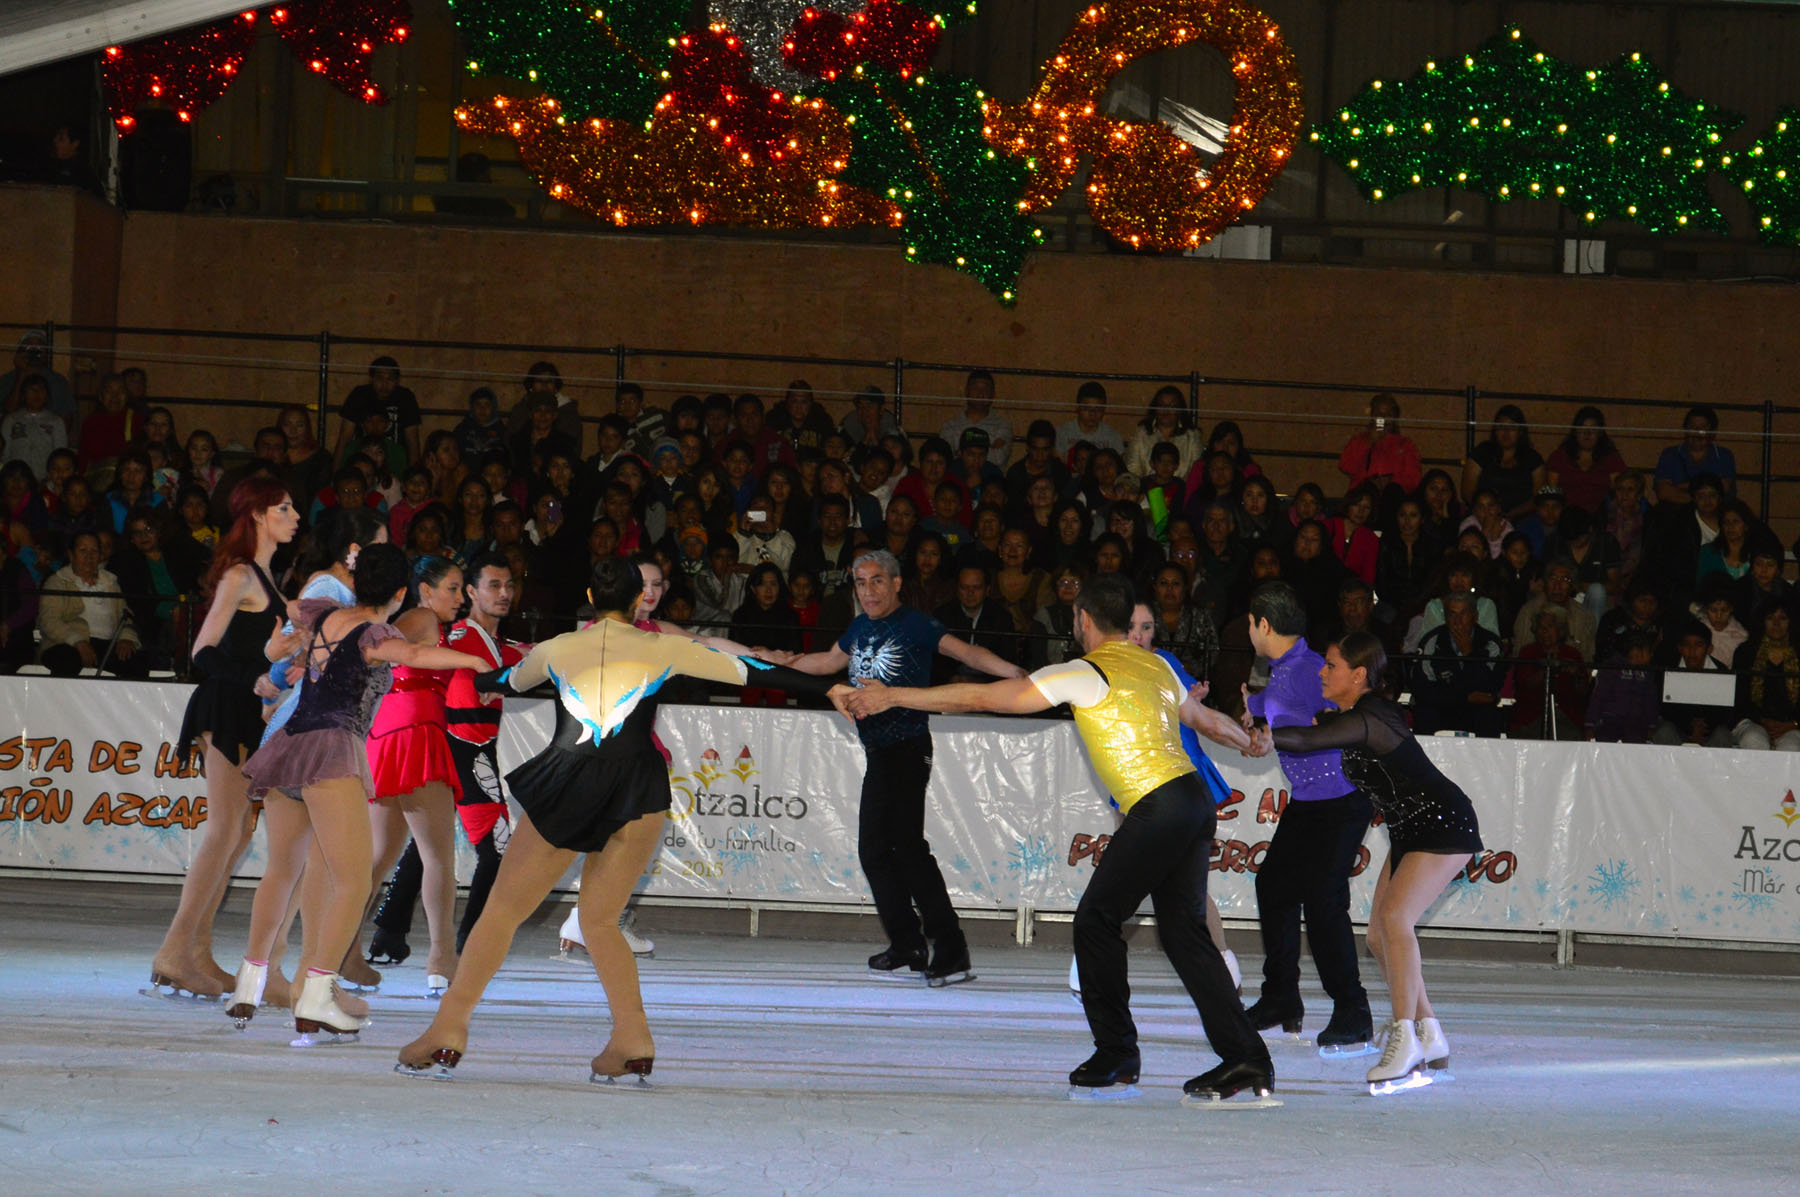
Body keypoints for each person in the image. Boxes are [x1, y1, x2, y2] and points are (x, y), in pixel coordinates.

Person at [395, 557, 850, 1080]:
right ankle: (632, 1037)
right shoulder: (665, 648)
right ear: (639, 600)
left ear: (590, 596)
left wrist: (468, 667)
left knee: (501, 912)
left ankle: (448, 1029)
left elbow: (506, 680)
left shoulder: (558, 648)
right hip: (639, 787)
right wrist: (829, 689)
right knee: (601, 921)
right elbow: (757, 671)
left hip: (570, 783)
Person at [845, 573, 1273, 1104]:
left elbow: (985, 698)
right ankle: (1246, 1057)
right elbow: (1206, 720)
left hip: (1160, 805)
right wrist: (1250, 741)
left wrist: (894, 697)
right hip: (1191, 800)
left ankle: (1116, 1053)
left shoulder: (1085, 671)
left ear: (1084, 620)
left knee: (1096, 920)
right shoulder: (1156, 664)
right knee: (1184, 933)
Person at [232, 545, 488, 1041]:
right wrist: (473, 660)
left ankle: (249, 982)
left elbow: (285, 621)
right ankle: (316, 995)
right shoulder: (375, 633)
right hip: (330, 754)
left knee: (282, 870)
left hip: (288, 746)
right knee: (350, 883)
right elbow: (414, 654)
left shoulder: (324, 615)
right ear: (400, 592)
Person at [778, 551, 1026, 985]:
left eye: (877, 581)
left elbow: (967, 652)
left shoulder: (915, 623)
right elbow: (824, 663)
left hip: (908, 747)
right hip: (879, 753)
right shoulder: (858, 628)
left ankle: (951, 947)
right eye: (860, 582)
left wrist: (1018, 675)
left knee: (907, 849)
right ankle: (907, 942)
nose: (868, 590)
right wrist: (773, 661)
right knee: (875, 851)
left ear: (896, 584)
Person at [1252, 630, 1482, 1095]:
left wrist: (1260, 735)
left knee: (1396, 920)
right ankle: (1429, 1031)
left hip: (1443, 824)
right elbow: (1307, 727)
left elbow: (1309, 739)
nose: (1322, 671)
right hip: (1410, 831)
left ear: (1359, 675)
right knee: (1379, 935)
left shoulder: (1372, 715)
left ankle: (1403, 1037)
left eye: (1331, 665)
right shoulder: (1353, 714)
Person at [146, 479, 299, 999]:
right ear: (257, 514)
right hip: (226, 706)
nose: (294, 514)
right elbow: (202, 650)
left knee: (234, 834)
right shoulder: (241, 575)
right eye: (284, 507)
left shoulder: (271, 581)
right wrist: (256, 676)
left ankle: (195, 950)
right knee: (224, 831)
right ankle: (173, 950)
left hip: (248, 712)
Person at [370, 553, 530, 965]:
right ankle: (464, 949)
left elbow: (527, 660)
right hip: (447, 745)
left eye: (509, 585)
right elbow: (406, 655)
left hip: (439, 744)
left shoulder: (483, 641)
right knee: (481, 849)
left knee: (412, 849)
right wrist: (478, 670)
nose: (505, 593)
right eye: (492, 585)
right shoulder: (447, 632)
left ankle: (386, 935)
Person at [1239, 582, 1375, 1053]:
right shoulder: (1285, 668)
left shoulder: (1309, 668)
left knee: (1323, 901)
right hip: (1311, 800)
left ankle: (1353, 1011)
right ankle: (1280, 997)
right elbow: (1274, 705)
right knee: (1273, 885)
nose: (1248, 629)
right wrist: (1252, 714)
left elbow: (1348, 711)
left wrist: (1283, 726)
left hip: (1341, 799)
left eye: (1250, 622)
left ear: (1263, 625)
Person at [350, 556, 470, 998]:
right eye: (453, 589)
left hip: (389, 734)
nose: (460, 598)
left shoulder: (421, 620)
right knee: (438, 856)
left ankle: (342, 950)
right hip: (414, 731)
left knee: (381, 857)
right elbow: (389, 653)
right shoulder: (420, 617)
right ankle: (441, 958)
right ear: (425, 590)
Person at [36, 530, 150, 679]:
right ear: (71, 555)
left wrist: (126, 638)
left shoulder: (110, 582)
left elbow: (126, 616)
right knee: (66, 660)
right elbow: (49, 621)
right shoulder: (57, 582)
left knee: (137, 664)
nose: (89, 556)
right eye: (83, 550)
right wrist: (78, 641)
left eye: (94, 551)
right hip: (67, 643)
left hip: (106, 645)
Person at [1337, 393, 1421, 526]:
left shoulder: (1405, 444)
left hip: (1393, 501)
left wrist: (1391, 482)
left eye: (1388, 414)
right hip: (1363, 501)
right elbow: (1346, 465)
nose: (1384, 418)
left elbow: (1413, 478)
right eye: (1379, 414)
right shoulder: (1360, 440)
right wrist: (1368, 442)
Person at [1730, 605, 1800, 751]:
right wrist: (1761, 720)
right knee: (1754, 741)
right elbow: (1739, 697)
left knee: (1791, 747)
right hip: (1751, 721)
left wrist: (1792, 724)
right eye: (1770, 618)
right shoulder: (1745, 652)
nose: (1776, 624)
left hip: (1793, 724)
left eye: (1782, 618)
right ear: (1762, 622)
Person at [335, 356, 422, 467]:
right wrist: (335, 475)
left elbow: (413, 443)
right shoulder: (359, 395)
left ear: (397, 381)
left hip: (394, 461)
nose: (384, 384)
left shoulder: (405, 397)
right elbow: (344, 438)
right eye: (380, 378)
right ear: (371, 379)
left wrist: (413, 476)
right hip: (361, 460)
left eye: (390, 379)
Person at [1655, 405, 1736, 506]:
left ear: (1713, 432)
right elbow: (1664, 493)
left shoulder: (1724, 456)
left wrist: (1679, 487)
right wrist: (1703, 498)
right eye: (1693, 427)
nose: (1697, 432)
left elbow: (1724, 489)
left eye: (1703, 428)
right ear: (1685, 429)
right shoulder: (1670, 455)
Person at [939, 370, 1014, 467]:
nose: (980, 394)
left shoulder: (1004, 426)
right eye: (975, 389)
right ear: (966, 391)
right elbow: (947, 460)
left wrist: (960, 451)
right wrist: (989, 448)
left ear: (992, 394)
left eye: (985, 390)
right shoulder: (950, 426)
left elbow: (998, 459)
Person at [1056, 381, 1125, 458]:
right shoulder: (1062, 433)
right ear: (1077, 407)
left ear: (1104, 410)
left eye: (1098, 409)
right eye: (1087, 408)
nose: (1092, 413)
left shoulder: (1113, 437)